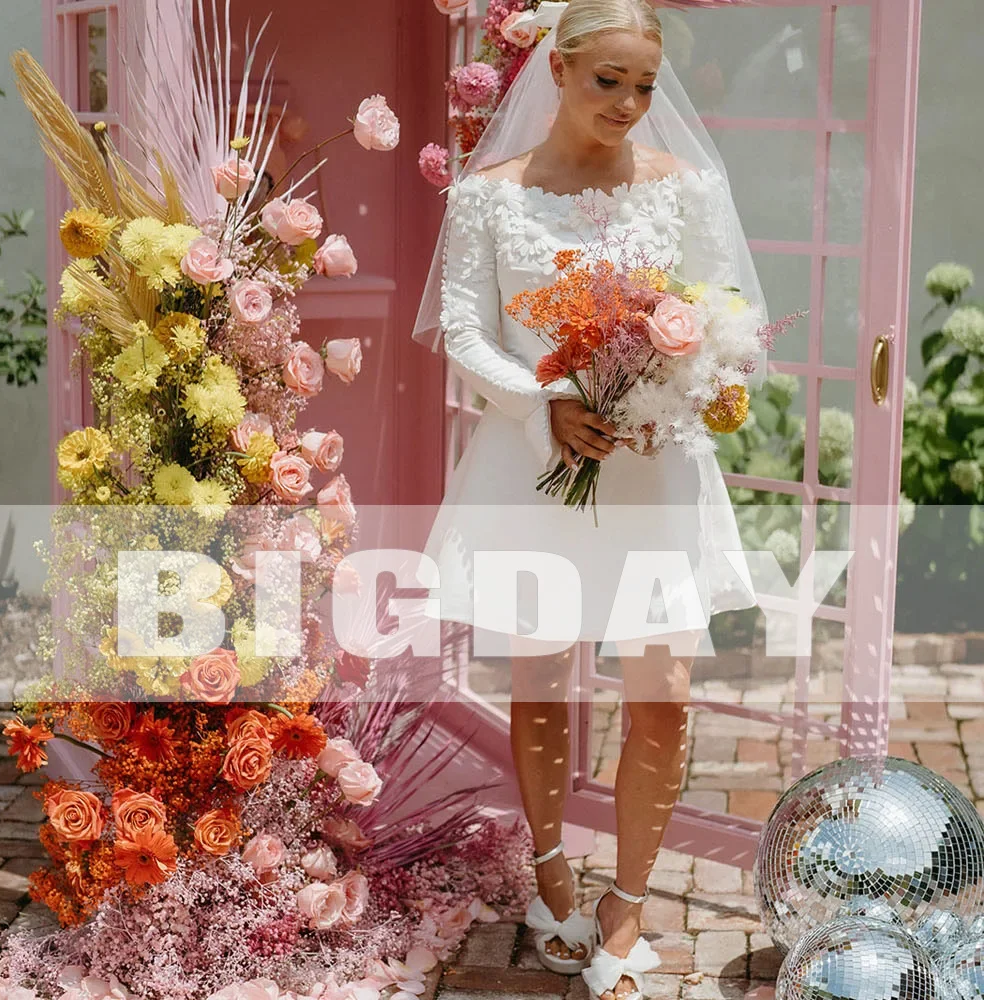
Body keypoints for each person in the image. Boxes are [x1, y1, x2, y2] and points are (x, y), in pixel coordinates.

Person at [411, 3, 769, 999]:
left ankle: (630, 901)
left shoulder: (686, 187)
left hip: (657, 469)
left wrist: (697, 382)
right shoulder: (489, 197)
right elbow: (467, 332)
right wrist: (550, 401)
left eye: (644, 85)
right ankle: (550, 866)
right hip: (542, 469)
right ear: (559, 71)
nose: (627, 102)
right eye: (607, 79)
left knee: (663, 695)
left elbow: (719, 309)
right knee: (543, 679)